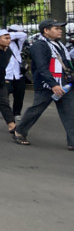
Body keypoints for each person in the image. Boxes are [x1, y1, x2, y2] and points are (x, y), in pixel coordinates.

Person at [11, 19, 74, 148]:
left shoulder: (59, 45)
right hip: (47, 85)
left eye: (60, 28)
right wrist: (53, 84)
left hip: (64, 84)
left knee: (70, 112)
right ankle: (19, 131)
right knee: (36, 109)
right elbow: (41, 67)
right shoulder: (39, 46)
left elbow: (67, 64)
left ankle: (72, 142)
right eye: (56, 28)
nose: (60, 30)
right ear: (46, 30)